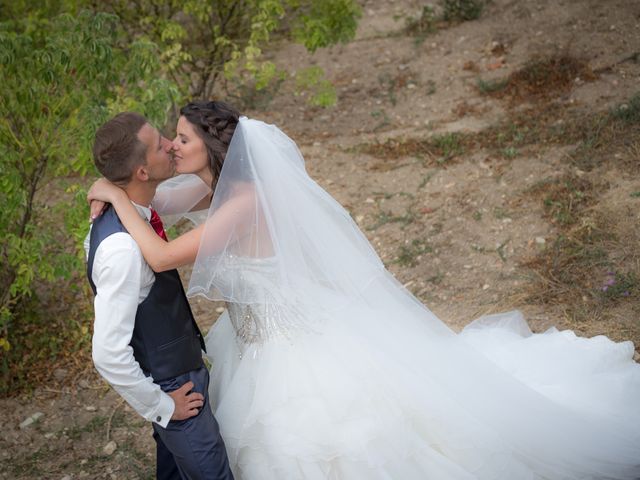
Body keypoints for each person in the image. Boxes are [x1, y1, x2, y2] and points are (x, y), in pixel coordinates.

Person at [88, 102, 640, 479]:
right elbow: (155, 204)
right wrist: (120, 188)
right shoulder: (214, 187)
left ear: (209, 144)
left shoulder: (244, 202)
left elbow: (158, 253)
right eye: (169, 139)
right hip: (251, 338)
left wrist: (113, 199)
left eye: (181, 138)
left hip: (292, 344)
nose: (173, 145)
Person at [86, 112, 234, 480]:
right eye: (159, 145)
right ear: (141, 172)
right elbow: (107, 354)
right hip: (175, 387)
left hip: (174, 367)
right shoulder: (122, 250)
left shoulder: (137, 210)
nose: (171, 144)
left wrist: (107, 189)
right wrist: (163, 406)